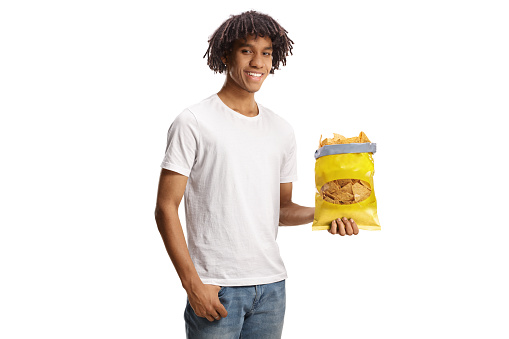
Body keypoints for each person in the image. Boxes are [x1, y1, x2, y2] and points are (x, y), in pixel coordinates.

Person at [154, 10, 359, 339]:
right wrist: (192, 284)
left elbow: (282, 209)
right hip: (216, 287)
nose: (257, 63)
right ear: (225, 55)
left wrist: (327, 212)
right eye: (247, 50)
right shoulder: (193, 121)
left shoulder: (281, 130)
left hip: (271, 289)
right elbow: (165, 206)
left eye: (266, 53)